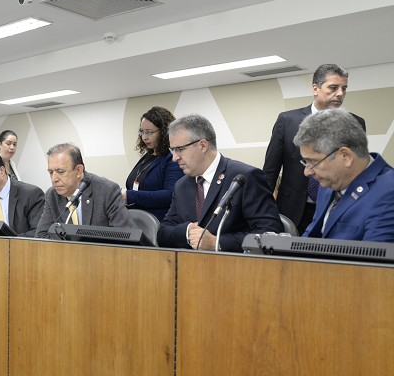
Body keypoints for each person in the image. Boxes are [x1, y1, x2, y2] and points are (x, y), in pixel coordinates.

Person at [263, 64, 366, 234]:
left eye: (344, 88)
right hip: (292, 210)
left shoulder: (356, 123)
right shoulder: (287, 121)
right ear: (315, 89)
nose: (340, 93)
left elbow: (357, 171)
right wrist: (264, 213)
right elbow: (269, 172)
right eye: (333, 87)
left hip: (336, 210)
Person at [158, 114, 282, 252]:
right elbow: (163, 233)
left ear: (203, 145)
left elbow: (270, 233)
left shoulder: (245, 177)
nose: (174, 158)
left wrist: (216, 243)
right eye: (172, 150)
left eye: (179, 149)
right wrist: (187, 231)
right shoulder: (181, 186)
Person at [294, 109, 394, 241]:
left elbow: (375, 252)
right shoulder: (329, 184)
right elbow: (312, 235)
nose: (307, 172)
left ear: (345, 156)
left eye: (313, 162)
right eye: (305, 162)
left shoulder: (388, 192)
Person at [35, 143, 133, 238]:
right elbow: (41, 237)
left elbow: (125, 235)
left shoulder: (107, 190)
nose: (54, 179)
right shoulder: (52, 195)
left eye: (60, 171)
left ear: (78, 170)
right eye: (51, 172)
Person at [122, 106, 184, 221]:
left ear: (165, 132)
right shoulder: (148, 156)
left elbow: (170, 195)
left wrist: (130, 195)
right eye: (142, 131)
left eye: (149, 132)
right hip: (135, 220)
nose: (144, 137)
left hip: (159, 223)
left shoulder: (173, 158)